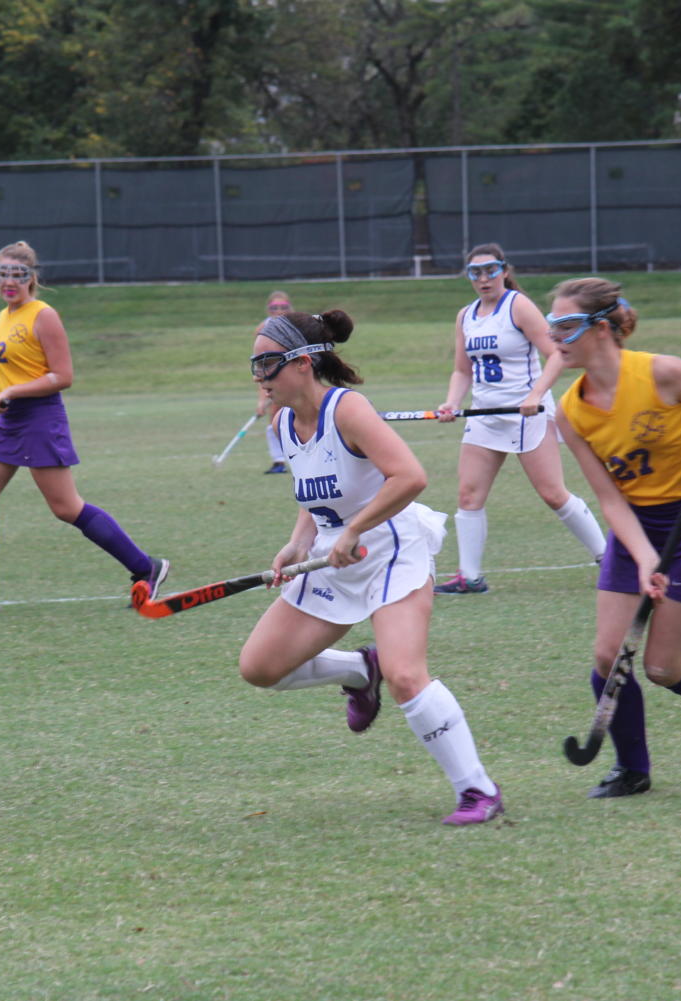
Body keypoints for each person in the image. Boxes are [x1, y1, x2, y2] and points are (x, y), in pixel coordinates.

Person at [238, 308, 504, 825]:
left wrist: (357, 530)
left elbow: (410, 477)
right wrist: (298, 544)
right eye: (253, 363)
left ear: (302, 363)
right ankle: (362, 669)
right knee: (261, 668)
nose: (257, 375)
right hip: (332, 556)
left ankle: (477, 790)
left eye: (266, 363)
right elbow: (315, 494)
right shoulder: (284, 424)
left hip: (389, 548)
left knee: (408, 675)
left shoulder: (349, 410)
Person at [549, 276, 681, 799]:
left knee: (662, 667)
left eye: (566, 325)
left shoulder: (661, 372)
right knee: (608, 654)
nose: (555, 337)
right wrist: (642, 558)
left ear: (600, 328)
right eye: (551, 326)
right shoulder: (569, 410)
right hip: (637, 525)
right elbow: (610, 497)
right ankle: (632, 769)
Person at [0, 241, 168, 616]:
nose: (9, 282)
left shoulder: (43, 315)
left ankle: (145, 567)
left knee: (65, 507)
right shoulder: (3, 316)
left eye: (18, 275)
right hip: (9, 420)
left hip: (40, 419)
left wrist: (11, 392)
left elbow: (63, 376)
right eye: (2, 274)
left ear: (32, 277)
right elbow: (13, 375)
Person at [432, 243, 606, 595]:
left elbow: (557, 353)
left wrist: (535, 395)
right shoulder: (466, 315)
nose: (484, 279)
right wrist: (451, 402)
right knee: (468, 496)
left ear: (505, 271)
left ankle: (609, 559)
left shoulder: (518, 306)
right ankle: (470, 576)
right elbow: (462, 370)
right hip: (484, 414)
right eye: (475, 272)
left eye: (491, 270)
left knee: (554, 495)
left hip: (526, 414)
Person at [256, 290, 292, 474]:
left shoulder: (296, 325)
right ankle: (278, 461)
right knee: (275, 417)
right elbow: (260, 365)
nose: (279, 310)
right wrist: (261, 399)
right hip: (275, 378)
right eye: (274, 307)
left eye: (283, 307)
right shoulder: (263, 329)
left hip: (297, 375)